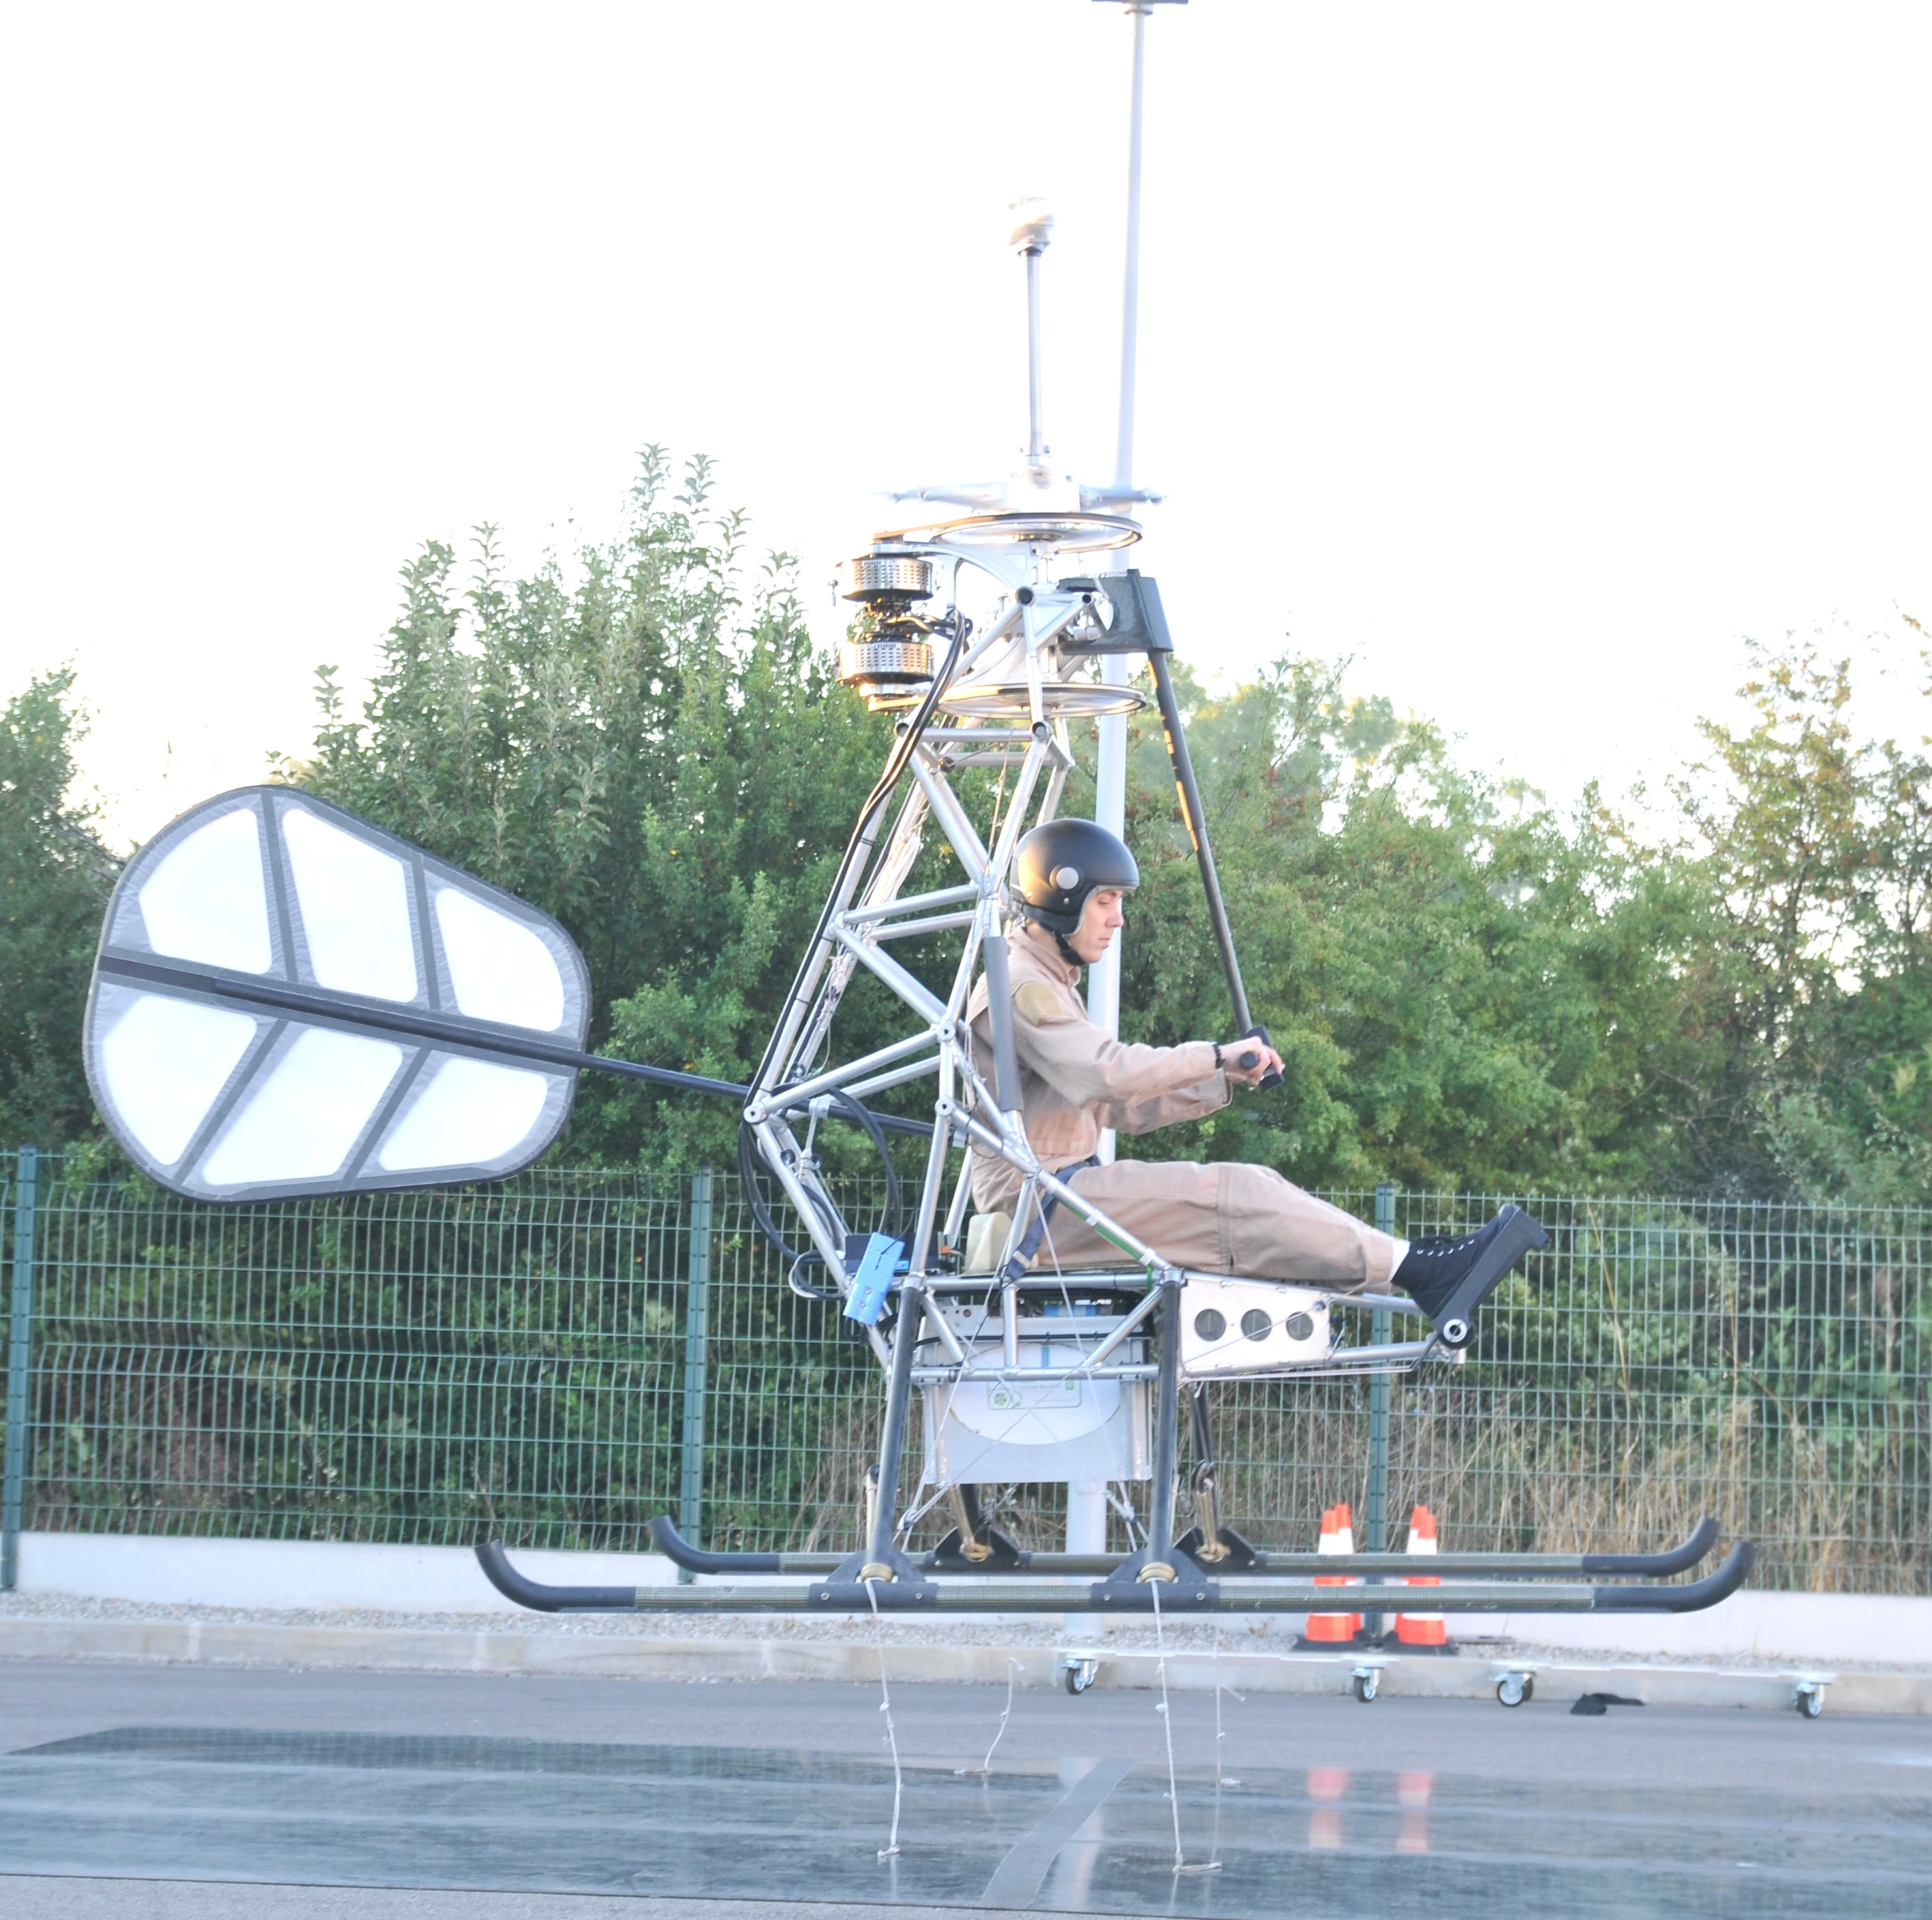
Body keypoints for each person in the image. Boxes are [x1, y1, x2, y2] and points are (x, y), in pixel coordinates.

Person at [965, 818, 1546, 1339]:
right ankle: (1421, 1270)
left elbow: (1122, 1110)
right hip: (1036, 1205)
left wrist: (1220, 1081)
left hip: (1057, 1196)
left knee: (1254, 1186)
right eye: (1106, 900)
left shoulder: (1046, 979)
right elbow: (1106, 1075)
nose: (1118, 917)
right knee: (1236, 1195)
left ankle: (1415, 1261)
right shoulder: (1021, 984)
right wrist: (1214, 1055)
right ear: (1061, 896)